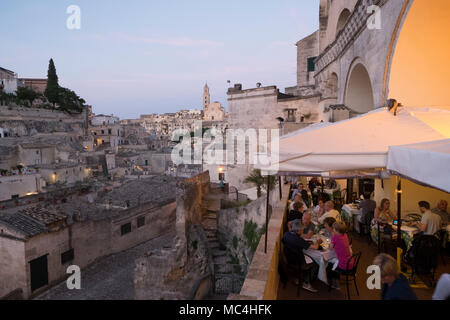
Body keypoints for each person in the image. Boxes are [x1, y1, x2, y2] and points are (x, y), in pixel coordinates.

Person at [283, 220, 320, 293]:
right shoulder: (299, 240)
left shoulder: (286, 234)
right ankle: (306, 283)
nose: (303, 231)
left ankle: (298, 278)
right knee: (316, 264)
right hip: (298, 261)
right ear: (298, 231)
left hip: (289, 258)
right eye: (302, 230)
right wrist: (318, 242)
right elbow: (315, 247)